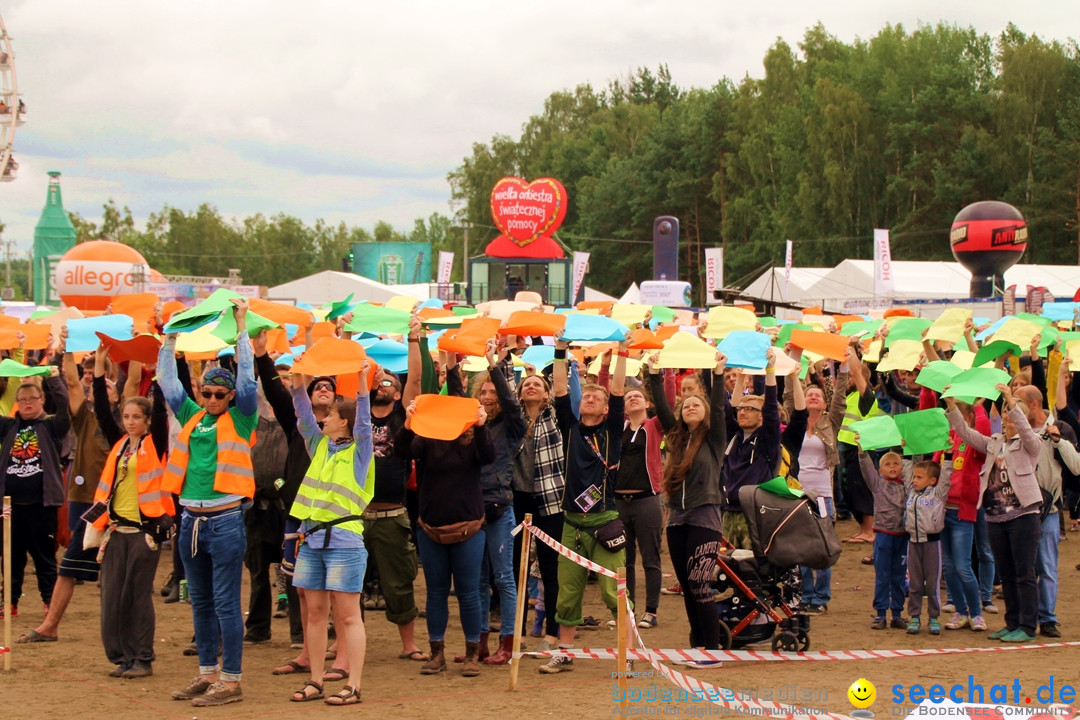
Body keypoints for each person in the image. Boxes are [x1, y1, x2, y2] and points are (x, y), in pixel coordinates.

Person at [159, 298, 258, 707]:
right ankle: (207, 673)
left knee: (224, 602)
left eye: (220, 394)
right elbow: (168, 384)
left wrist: (241, 330)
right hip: (191, 521)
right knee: (198, 601)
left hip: (225, 520)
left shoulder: (242, 416)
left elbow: (249, 383)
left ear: (230, 395)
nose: (213, 399)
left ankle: (231, 681)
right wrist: (169, 341)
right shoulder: (192, 415)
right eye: (208, 393)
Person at [17, 337, 119, 643]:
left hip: (121, 504)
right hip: (88, 502)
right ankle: (50, 625)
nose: (99, 389)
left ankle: (117, 631)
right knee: (70, 565)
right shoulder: (85, 419)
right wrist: (68, 345)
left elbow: (134, 380)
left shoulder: (126, 422)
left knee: (116, 570)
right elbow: (73, 383)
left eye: (109, 387)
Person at [538, 334, 630, 675]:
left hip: (605, 521)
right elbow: (560, 388)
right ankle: (564, 652)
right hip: (572, 524)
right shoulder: (570, 428)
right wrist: (560, 351)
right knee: (567, 592)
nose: (589, 398)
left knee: (612, 592)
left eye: (596, 397)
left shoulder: (612, 432)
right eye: (586, 395)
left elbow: (618, 388)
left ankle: (627, 655)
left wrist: (623, 352)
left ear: (606, 409)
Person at [287, 363, 374, 706]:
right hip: (311, 540)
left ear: (345, 421)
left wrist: (363, 380)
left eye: (331, 414)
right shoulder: (319, 445)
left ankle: (353, 685)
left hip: (345, 542)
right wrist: (298, 378)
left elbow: (365, 422)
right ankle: (315, 680)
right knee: (316, 612)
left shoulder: (360, 451)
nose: (323, 419)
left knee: (348, 614)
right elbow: (303, 415)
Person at [89, 345, 173, 677]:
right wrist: (99, 367)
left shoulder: (157, 443)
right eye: (127, 417)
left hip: (145, 532)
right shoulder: (120, 443)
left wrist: (161, 369)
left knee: (137, 597)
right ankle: (121, 656)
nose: (130, 422)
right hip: (115, 529)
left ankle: (143, 658)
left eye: (137, 417)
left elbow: (164, 408)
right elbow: (100, 408)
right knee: (112, 599)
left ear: (148, 420)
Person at [395, 395, 493, 677]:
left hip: (469, 528)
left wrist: (483, 426)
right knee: (435, 592)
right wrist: (408, 424)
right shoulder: (426, 437)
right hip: (430, 528)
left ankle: (472, 654)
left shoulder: (474, 438)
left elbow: (488, 456)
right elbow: (402, 451)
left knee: (469, 593)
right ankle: (437, 654)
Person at [945, 383, 1041, 642]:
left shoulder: (1031, 443)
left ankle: (1028, 627)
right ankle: (1012, 624)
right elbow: (965, 432)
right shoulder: (994, 443)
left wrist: (1010, 400)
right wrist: (952, 405)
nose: (1008, 421)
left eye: (1012, 417)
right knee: (1007, 574)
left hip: (1023, 515)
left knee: (1024, 573)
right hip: (996, 517)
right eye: (1007, 418)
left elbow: (1025, 430)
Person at [450, 339, 523, 665]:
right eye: (484, 392)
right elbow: (455, 399)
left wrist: (494, 364)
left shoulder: (511, 426)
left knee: (504, 578)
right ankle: (478, 642)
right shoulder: (469, 426)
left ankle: (508, 645)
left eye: (493, 392)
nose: (489, 397)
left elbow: (511, 402)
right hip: (469, 507)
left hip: (499, 507)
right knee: (476, 580)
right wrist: (450, 362)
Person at [361, 317, 425, 663]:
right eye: (376, 379)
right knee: (347, 584)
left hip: (390, 513)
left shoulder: (402, 416)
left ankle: (408, 644)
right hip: (355, 513)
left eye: (387, 381)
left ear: (398, 392)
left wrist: (414, 340)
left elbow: (414, 377)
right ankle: (342, 642)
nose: (380, 384)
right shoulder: (354, 413)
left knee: (399, 581)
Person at [662, 351, 728, 669]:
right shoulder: (675, 438)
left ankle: (712, 652)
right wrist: (654, 373)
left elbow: (716, 405)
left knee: (700, 583)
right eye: (686, 403)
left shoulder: (714, 440)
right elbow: (662, 408)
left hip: (705, 517)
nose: (691, 406)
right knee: (688, 586)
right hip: (677, 519)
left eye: (696, 404)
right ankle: (699, 645)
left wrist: (716, 373)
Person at [0, 364, 70, 619]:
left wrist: (54, 380)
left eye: (33, 398)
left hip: (42, 505)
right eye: (23, 399)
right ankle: (9, 603)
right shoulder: (8, 427)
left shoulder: (51, 427)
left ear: (41, 400)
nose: (28, 403)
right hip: (11, 506)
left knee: (45, 560)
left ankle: (49, 602)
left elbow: (65, 408)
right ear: (16, 402)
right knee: (10, 558)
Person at [1014, 383, 1080, 638]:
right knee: (1023, 568)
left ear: (1033, 404)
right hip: (1020, 509)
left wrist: (1059, 441)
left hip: (1048, 510)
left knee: (1048, 566)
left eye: (1019, 402)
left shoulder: (1060, 428)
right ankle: (1024, 617)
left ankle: (1048, 618)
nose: (1014, 409)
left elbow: (1076, 467)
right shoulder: (1016, 430)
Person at [788, 348, 850, 614]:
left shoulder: (831, 422)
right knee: (801, 546)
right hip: (797, 493)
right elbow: (790, 395)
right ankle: (805, 596)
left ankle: (821, 598)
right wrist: (793, 360)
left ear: (824, 403)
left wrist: (844, 366)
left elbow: (841, 399)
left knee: (823, 546)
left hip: (823, 494)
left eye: (818, 395)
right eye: (809, 394)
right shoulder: (795, 421)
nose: (813, 397)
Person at [618, 358, 678, 630]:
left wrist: (666, 373)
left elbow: (669, 404)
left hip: (647, 500)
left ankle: (651, 611)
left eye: (638, 396)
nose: (632, 398)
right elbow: (611, 390)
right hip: (619, 501)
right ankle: (627, 608)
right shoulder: (615, 429)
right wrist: (608, 367)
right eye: (628, 396)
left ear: (647, 404)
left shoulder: (654, 426)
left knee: (650, 558)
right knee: (624, 560)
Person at [512, 370, 565, 654]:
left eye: (538, 385)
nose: (531, 386)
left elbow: (566, 392)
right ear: (519, 393)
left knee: (550, 568)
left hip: (550, 501)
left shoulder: (555, 417)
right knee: (515, 568)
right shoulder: (512, 419)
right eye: (526, 384)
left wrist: (559, 355)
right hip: (517, 500)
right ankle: (517, 631)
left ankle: (553, 631)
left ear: (547, 394)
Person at [720, 351, 780, 550]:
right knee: (725, 569)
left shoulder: (767, 441)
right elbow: (723, 406)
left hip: (754, 515)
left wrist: (770, 370)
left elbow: (771, 408)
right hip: (728, 513)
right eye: (741, 409)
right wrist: (718, 370)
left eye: (749, 409)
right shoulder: (733, 438)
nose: (742, 412)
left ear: (761, 417)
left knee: (752, 569)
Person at [939, 400, 990, 632]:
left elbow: (982, 430)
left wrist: (979, 406)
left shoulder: (976, 442)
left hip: (962, 512)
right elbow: (933, 472)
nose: (953, 420)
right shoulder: (943, 441)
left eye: (958, 415)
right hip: (941, 512)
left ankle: (977, 614)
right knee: (949, 568)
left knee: (963, 566)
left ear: (969, 418)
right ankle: (960, 612)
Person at [858, 447, 909, 630]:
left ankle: (897, 614)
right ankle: (880, 614)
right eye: (887, 464)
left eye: (896, 463)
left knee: (899, 577)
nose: (892, 467)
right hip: (883, 536)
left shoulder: (907, 486)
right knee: (882, 576)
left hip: (902, 536)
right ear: (881, 470)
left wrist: (909, 448)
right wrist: (862, 453)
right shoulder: (877, 485)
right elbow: (867, 469)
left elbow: (915, 467)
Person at [903, 461, 950, 636]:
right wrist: (907, 449)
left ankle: (934, 617)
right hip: (913, 543)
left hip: (932, 544)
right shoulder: (911, 492)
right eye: (914, 477)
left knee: (932, 584)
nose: (915, 480)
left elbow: (946, 476)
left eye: (919, 477)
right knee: (915, 583)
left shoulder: (937, 494)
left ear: (932, 480)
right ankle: (914, 616)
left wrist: (949, 456)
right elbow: (907, 470)